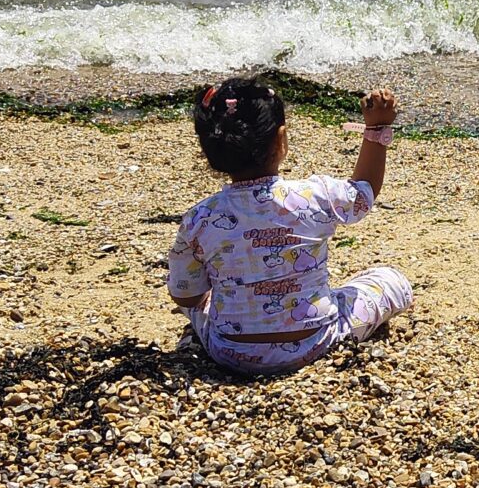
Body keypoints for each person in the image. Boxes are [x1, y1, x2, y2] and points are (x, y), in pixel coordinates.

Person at [167, 77, 413, 374]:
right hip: (317, 341)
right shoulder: (314, 196)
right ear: (281, 140)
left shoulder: (199, 218)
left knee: (196, 302)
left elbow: (186, 295)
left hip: (230, 352)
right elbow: (363, 192)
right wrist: (376, 127)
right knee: (391, 280)